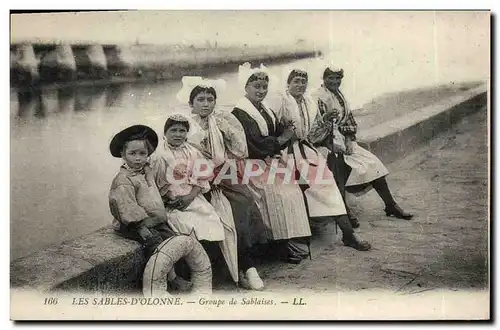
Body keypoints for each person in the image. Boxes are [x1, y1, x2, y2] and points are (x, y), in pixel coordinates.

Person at [177, 76, 267, 290]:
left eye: (210, 99)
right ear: (192, 103)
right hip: (194, 179)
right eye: (201, 99)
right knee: (205, 214)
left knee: (243, 204)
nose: (206, 104)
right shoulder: (184, 125)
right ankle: (206, 269)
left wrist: (219, 169)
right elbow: (178, 157)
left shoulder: (221, 120)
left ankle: (248, 266)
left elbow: (238, 150)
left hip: (222, 172)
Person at [277, 68, 371, 251]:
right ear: (288, 83)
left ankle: (348, 234)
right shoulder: (282, 102)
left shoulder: (308, 103)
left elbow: (311, 135)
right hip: (286, 153)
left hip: (305, 149)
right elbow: (277, 132)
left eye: (303, 82)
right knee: (312, 186)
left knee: (329, 186)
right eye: (296, 81)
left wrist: (325, 120)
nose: (300, 85)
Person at [231, 62, 312, 264]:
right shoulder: (240, 113)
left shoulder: (264, 109)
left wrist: (283, 129)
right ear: (246, 88)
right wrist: (284, 138)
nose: (261, 91)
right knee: (278, 194)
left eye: (264, 87)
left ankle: (287, 242)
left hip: (266, 161)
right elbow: (255, 144)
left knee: (293, 189)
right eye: (256, 87)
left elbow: (272, 134)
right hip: (251, 164)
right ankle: (279, 247)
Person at [310, 66, 414, 221]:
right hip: (323, 143)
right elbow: (315, 126)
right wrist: (331, 141)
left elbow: (348, 119)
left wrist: (349, 138)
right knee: (339, 166)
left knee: (373, 163)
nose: (334, 81)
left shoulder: (339, 95)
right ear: (324, 79)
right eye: (330, 78)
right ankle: (343, 211)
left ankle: (390, 204)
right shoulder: (318, 97)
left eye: (338, 78)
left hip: (341, 139)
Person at [108, 124, 192, 292]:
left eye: (142, 154)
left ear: (148, 155)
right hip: (134, 225)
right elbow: (126, 205)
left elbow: (152, 193)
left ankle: (180, 273)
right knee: (156, 244)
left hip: (153, 220)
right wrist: (139, 227)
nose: (138, 158)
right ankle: (170, 279)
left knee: (174, 239)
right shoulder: (124, 179)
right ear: (123, 155)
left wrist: (167, 198)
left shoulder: (146, 172)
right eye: (132, 154)